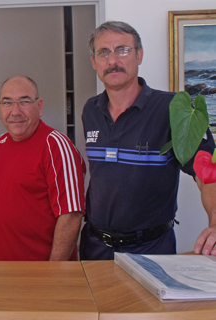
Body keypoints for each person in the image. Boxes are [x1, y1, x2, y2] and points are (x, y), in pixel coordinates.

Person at [80, 21, 216, 260]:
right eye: (103, 52)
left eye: (122, 50)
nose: (113, 61)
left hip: (152, 250)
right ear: (93, 62)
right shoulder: (91, 110)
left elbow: (209, 174)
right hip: (95, 248)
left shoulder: (174, 109)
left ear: (139, 55)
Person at [0, 75, 86, 261]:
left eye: (25, 101)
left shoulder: (56, 146)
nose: (15, 111)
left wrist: (53, 276)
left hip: (41, 279)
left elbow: (71, 216)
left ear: (40, 106)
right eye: (7, 103)